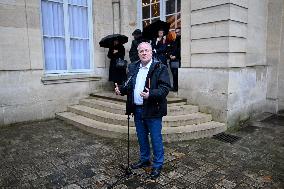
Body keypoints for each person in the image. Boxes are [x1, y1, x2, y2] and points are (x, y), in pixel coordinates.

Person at [114, 42, 171, 179]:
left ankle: (158, 164)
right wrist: (120, 90)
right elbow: (129, 85)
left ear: (151, 52)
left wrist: (150, 94)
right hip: (137, 110)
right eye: (141, 51)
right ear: (138, 53)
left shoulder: (160, 67)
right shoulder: (133, 67)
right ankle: (145, 159)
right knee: (141, 137)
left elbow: (165, 88)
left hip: (153, 110)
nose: (144, 53)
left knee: (156, 138)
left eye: (146, 50)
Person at [168, 27, 181, 91]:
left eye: (178, 32)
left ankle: (176, 88)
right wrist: (170, 55)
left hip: (177, 59)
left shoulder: (181, 40)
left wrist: (175, 56)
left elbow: (180, 50)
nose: (177, 33)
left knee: (176, 74)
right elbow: (171, 49)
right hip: (172, 60)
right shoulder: (175, 40)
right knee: (173, 73)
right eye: (176, 32)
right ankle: (175, 87)